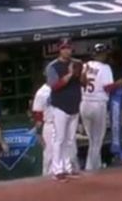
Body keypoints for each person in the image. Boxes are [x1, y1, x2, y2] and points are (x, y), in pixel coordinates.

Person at [45, 38, 84, 181]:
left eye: (68, 47)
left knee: (70, 139)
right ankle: (57, 170)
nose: (66, 50)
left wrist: (81, 74)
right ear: (59, 49)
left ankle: (68, 167)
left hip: (74, 105)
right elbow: (53, 86)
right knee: (59, 139)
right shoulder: (53, 66)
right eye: (63, 48)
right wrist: (69, 74)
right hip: (60, 106)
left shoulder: (77, 63)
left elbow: (83, 82)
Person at [80, 43, 120, 172]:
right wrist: (120, 84)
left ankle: (93, 166)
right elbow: (107, 88)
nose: (104, 56)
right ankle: (91, 168)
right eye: (103, 53)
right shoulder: (105, 67)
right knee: (96, 139)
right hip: (97, 104)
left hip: (84, 104)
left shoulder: (85, 66)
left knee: (92, 139)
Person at [30, 83, 54, 176]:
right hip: (50, 124)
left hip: (63, 124)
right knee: (49, 155)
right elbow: (38, 115)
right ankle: (47, 180)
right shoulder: (42, 92)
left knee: (69, 155)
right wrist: (38, 132)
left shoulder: (64, 87)